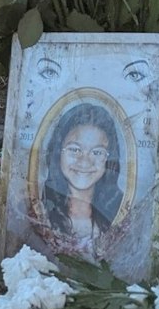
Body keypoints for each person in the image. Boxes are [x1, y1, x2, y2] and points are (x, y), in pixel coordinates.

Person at [37, 101, 128, 253]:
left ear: (109, 159)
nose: (85, 160)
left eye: (97, 152)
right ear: (59, 152)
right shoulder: (40, 207)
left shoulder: (120, 213)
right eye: (75, 149)